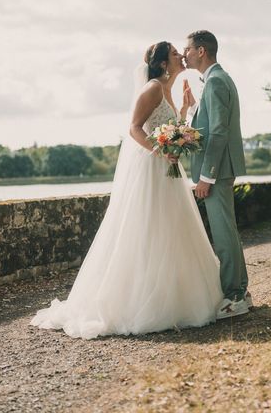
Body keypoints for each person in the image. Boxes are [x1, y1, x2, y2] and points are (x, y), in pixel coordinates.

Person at [30, 41, 223, 339]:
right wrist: (160, 152)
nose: (181, 56)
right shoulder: (153, 88)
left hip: (167, 171)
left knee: (170, 231)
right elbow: (134, 128)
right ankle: (143, 303)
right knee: (149, 230)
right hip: (152, 170)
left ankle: (178, 297)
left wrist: (183, 112)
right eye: (175, 54)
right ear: (161, 63)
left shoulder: (168, 90)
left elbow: (168, 129)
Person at [183, 30, 251, 319]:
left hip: (218, 171)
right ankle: (241, 292)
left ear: (201, 51)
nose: (183, 53)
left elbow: (220, 132)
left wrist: (206, 177)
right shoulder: (217, 80)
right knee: (228, 232)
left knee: (224, 236)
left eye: (187, 49)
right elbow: (210, 125)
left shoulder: (215, 81)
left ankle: (235, 297)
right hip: (222, 168)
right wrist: (192, 111)